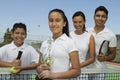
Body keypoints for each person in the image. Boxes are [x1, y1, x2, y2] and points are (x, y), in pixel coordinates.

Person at [36, 9, 80, 80]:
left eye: (57, 20)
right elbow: (38, 66)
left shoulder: (70, 43)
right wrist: (40, 69)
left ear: (64, 23)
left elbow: (77, 71)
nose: (53, 24)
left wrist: (53, 75)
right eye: (51, 20)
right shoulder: (44, 43)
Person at [88, 6, 117, 80]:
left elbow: (113, 54)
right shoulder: (86, 31)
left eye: (103, 16)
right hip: (85, 69)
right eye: (98, 16)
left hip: (100, 71)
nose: (100, 18)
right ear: (94, 17)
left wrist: (105, 58)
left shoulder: (111, 35)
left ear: (106, 19)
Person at [70, 11, 95, 80]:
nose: (77, 24)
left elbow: (92, 59)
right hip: (68, 72)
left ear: (84, 22)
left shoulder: (90, 37)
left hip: (82, 73)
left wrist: (76, 66)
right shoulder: (68, 35)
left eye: (80, 22)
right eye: (75, 22)